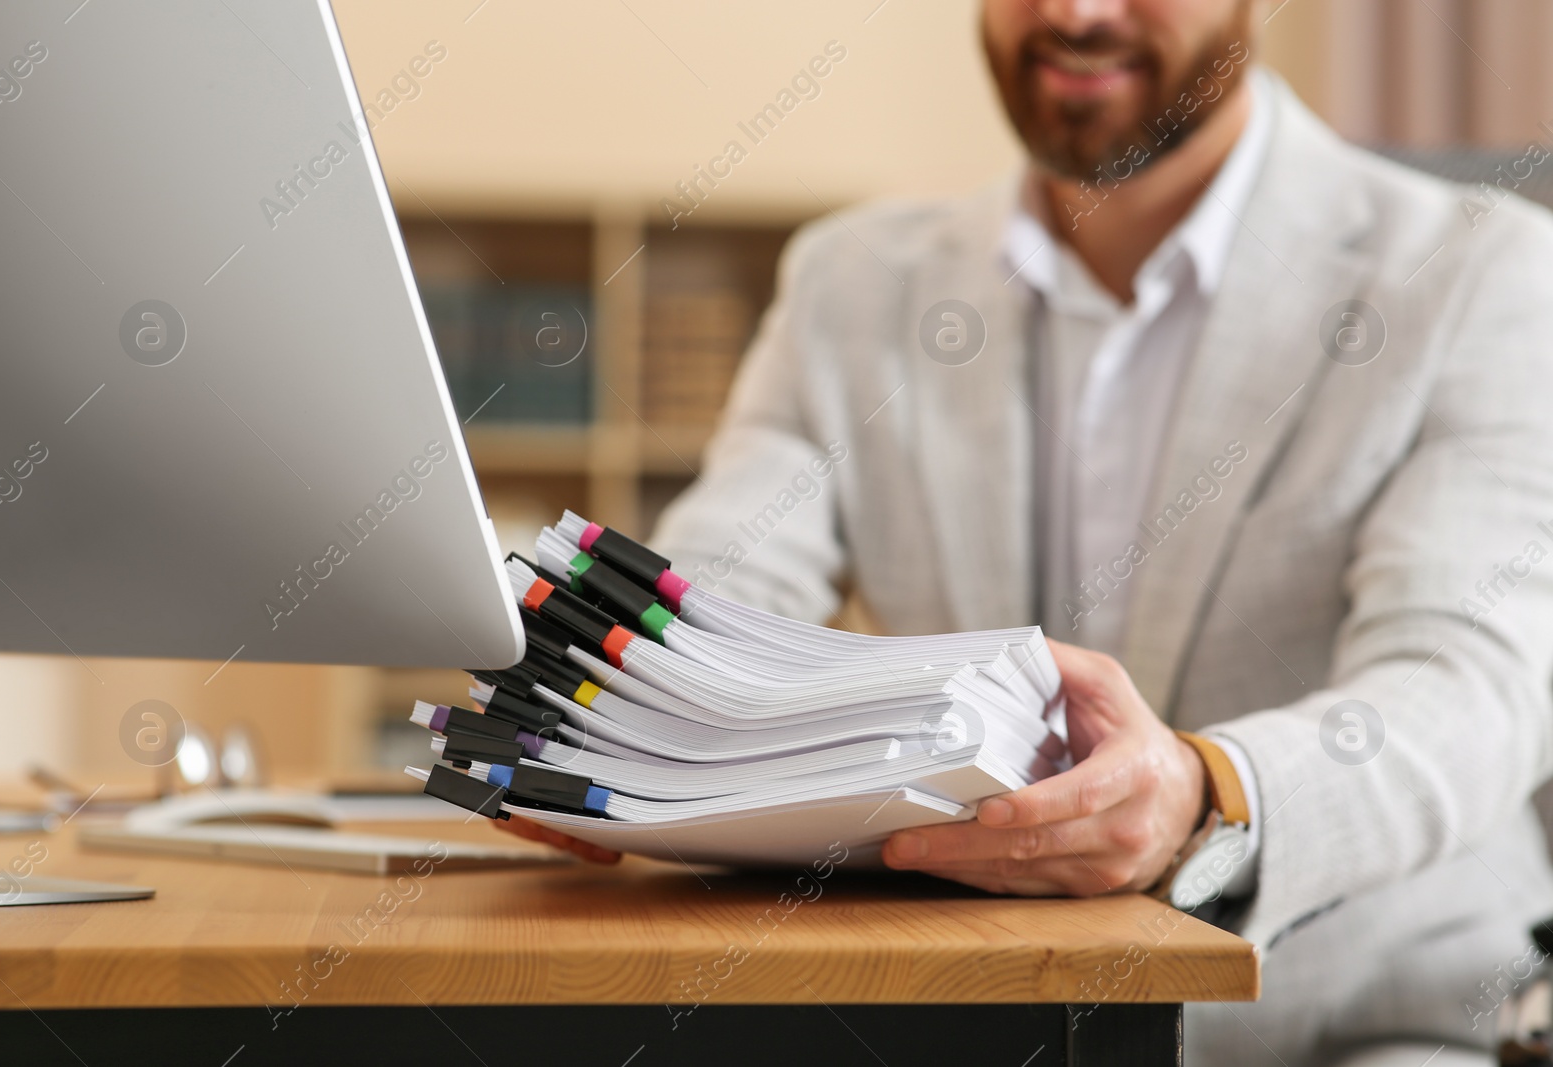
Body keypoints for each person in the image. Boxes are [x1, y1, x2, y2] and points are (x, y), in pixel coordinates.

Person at [514, 2, 1553, 1063]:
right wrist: (630, 712)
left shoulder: (1483, 275)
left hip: (1367, 1019)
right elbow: (732, 579)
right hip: (976, 1003)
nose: (1073, 13)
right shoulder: (853, 282)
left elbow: (1466, 685)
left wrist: (1206, 792)